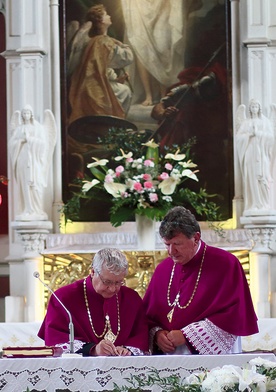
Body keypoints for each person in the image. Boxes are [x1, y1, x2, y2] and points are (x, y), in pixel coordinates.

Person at [143, 206, 258, 355]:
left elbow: (234, 316)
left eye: (177, 244)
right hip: (170, 356)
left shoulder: (226, 264)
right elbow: (148, 316)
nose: (171, 252)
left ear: (196, 238)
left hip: (213, 359)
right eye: (167, 244)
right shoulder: (163, 269)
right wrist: (157, 335)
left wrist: (187, 336)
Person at [38, 248, 149, 356]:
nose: (112, 289)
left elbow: (141, 337)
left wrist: (126, 350)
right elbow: (56, 340)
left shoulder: (131, 298)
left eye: (119, 282)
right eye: (107, 282)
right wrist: (93, 350)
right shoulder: (63, 297)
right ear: (92, 272)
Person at [68, 4, 134, 125]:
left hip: (88, 86)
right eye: (106, 15)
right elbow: (126, 57)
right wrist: (122, 44)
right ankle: (115, 127)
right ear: (101, 21)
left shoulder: (93, 41)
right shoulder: (103, 41)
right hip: (95, 89)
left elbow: (100, 69)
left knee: (121, 89)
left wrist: (118, 79)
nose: (109, 16)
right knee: (125, 91)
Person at [8, 105, 57, 221]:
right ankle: (27, 208)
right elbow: (11, 144)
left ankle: (36, 209)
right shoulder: (19, 129)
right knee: (24, 183)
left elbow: (43, 144)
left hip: (34, 160)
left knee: (35, 184)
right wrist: (20, 141)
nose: (26, 115)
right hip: (22, 158)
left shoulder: (38, 128)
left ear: (31, 114)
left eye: (28, 113)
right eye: (24, 113)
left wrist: (30, 140)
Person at [236, 99, 275, 215]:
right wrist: (249, 135)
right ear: (249, 109)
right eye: (252, 107)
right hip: (250, 153)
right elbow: (238, 138)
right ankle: (253, 203)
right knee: (251, 178)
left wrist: (259, 134)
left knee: (262, 178)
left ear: (259, 108)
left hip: (261, 154)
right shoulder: (246, 123)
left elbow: (271, 138)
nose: (254, 109)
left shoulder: (265, 122)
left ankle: (263, 204)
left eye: (256, 106)